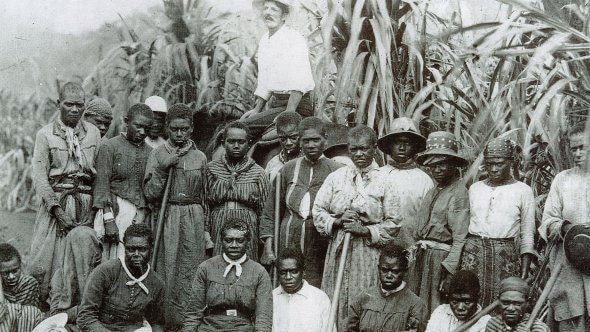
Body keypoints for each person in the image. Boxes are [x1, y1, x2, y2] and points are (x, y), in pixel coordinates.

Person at [313, 125, 402, 330]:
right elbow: (318, 211)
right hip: (339, 247)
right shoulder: (337, 177)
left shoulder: (385, 181)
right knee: (335, 298)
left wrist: (365, 230)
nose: (359, 154)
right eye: (354, 149)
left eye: (364, 148)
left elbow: (394, 222)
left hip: (368, 252)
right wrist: (337, 221)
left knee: (364, 297)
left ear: (374, 149)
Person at [28, 82, 101, 315]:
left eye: (79, 105)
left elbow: (99, 174)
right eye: (68, 104)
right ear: (59, 104)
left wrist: (93, 211)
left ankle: (79, 311)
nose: (74, 109)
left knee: (82, 255)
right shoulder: (45, 135)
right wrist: (57, 210)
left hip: (86, 204)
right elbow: (40, 177)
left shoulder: (93, 133)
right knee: (48, 260)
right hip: (57, 204)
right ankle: (47, 309)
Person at [144, 103, 212, 329]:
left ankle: (190, 322)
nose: (179, 133)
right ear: (167, 128)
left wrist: (206, 230)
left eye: (184, 129)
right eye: (174, 129)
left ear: (191, 128)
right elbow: (150, 193)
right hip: (168, 216)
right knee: (167, 268)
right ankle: (165, 321)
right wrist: (163, 168)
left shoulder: (200, 157)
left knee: (191, 269)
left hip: (194, 217)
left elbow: (205, 196)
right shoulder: (158, 153)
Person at [260, 117, 342, 286]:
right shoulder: (287, 169)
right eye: (306, 141)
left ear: (325, 139)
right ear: (300, 141)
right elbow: (270, 211)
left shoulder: (338, 171)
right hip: (288, 241)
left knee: (317, 286)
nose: (311, 145)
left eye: (316, 140)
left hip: (320, 243)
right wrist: (268, 248)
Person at [461, 138, 536, 307]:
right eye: (489, 164)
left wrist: (524, 268)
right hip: (473, 255)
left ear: (511, 162)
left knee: (503, 303)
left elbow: (527, 233)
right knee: (470, 301)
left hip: (505, 257)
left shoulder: (523, 191)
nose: (493, 169)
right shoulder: (475, 188)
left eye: (499, 164)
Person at [408, 131, 470, 314]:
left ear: (453, 165)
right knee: (416, 306)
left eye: (442, 164)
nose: (437, 170)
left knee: (434, 306)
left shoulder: (459, 193)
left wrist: (449, 271)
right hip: (423, 257)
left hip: (440, 261)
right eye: (433, 166)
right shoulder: (432, 191)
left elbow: (460, 238)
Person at [539, 122, 590, 331]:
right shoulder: (563, 180)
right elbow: (548, 221)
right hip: (569, 265)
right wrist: (568, 228)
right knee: (571, 318)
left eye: (583, 147)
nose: (577, 153)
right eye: (573, 148)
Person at [180, 218, 272, 332]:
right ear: (222, 241)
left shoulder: (259, 272)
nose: (234, 245)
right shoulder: (206, 268)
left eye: (240, 240)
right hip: (210, 328)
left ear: (248, 242)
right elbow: (193, 312)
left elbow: (263, 319)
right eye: (229, 240)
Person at [240, 0, 315, 137]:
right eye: (266, 8)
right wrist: (257, 109)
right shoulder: (265, 40)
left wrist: (288, 113)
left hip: (296, 106)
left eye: (273, 9)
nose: (268, 12)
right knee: (242, 125)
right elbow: (265, 80)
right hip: (276, 105)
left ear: (284, 15)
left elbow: (300, 80)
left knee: (241, 130)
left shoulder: (294, 38)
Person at [77, 223, 165, 332]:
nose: (136, 254)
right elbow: (85, 315)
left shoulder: (156, 283)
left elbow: (156, 322)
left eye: (142, 249)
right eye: (131, 249)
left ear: (150, 248)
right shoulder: (106, 272)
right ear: (124, 247)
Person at [93, 103, 154, 261]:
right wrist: (109, 220)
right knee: (111, 261)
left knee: (133, 260)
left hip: (139, 216)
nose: (142, 132)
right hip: (114, 211)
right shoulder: (110, 146)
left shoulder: (151, 153)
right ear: (127, 121)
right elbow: (102, 185)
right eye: (138, 126)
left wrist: (142, 214)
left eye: (147, 128)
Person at [205, 121, 269, 261]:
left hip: (248, 225)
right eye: (231, 141)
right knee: (218, 267)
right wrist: (206, 233)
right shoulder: (210, 169)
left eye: (241, 142)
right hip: (218, 224)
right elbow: (205, 205)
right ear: (223, 143)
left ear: (249, 144)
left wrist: (262, 239)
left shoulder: (259, 172)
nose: (236, 146)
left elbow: (264, 210)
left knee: (246, 269)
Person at [377, 117, 434, 247]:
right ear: (390, 145)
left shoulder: (424, 180)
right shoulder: (378, 175)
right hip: (379, 245)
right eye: (397, 142)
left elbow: (428, 219)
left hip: (410, 245)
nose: (402, 147)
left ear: (414, 147)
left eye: (407, 143)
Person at [345, 243, 426, 332]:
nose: (389, 275)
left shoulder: (415, 304)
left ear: (404, 271)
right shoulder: (363, 298)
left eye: (395, 271)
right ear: (378, 268)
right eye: (384, 270)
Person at [272, 246, 333, 332]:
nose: (288, 277)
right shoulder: (271, 298)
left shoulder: (320, 298)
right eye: (283, 272)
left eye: (294, 271)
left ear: (303, 271)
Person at [425, 270, 490, 332]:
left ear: (478, 297)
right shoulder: (441, 312)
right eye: (454, 302)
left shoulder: (487, 323)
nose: (460, 307)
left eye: (467, 302)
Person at [481, 277, 549, 332]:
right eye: (505, 303)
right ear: (499, 301)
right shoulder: (494, 323)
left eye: (517, 304)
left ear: (527, 303)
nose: (511, 308)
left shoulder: (539, 328)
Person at [264, 111, 302, 182]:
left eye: (293, 137)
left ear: (301, 134)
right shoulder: (273, 163)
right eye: (283, 139)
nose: (288, 143)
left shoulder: (309, 161)